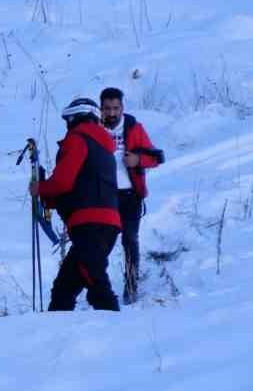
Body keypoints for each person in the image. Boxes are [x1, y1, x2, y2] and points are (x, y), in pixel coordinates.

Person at [36, 98, 122, 312]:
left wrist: (40, 188)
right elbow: (79, 185)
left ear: (75, 118)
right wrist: (49, 195)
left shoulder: (77, 138)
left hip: (88, 224)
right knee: (64, 289)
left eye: (68, 120)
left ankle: (122, 335)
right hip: (106, 223)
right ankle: (56, 341)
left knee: (97, 286)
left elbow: (63, 182)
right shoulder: (104, 147)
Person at [99, 87, 164, 304]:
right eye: (107, 108)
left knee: (129, 240)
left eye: (115, 108)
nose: (111, 113)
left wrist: (138, 160)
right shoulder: (94, 129)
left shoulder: (134, 128)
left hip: (130, 195)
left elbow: (157, 157)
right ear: (101, 109)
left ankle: (131, 286)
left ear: (122, 108)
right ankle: (99, 288)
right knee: (101, 244)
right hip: (104, 197)